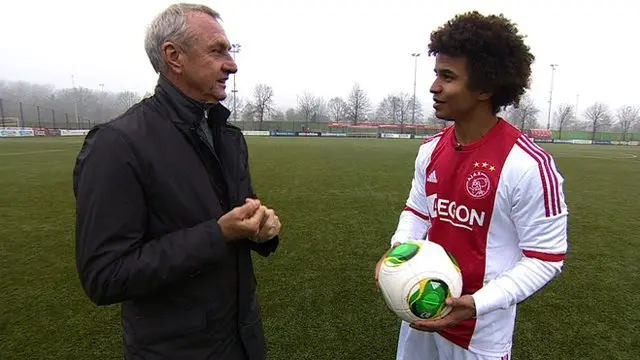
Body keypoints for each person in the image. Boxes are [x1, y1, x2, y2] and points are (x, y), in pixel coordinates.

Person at [73, 4, 281, 359]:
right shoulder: (116, 145)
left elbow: (240, 219)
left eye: (229, 50)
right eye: (217, 50)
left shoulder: (228, 136)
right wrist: (218, 234)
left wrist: (263, 231)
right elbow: (104, 276)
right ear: (174, 56)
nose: (232, 64)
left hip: (244, 343)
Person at [375, 11, 569, 360]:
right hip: (421, 307)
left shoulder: (528, 166)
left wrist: (477, 304)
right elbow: (418, 211)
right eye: (436, 74)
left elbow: (546, 257)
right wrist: (397, 253)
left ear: (485, 88)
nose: (434, 87)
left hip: (480, 332)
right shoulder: (430, 150)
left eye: (447, 77)